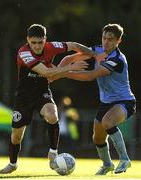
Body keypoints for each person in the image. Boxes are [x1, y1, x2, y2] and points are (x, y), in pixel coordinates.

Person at [0, 23, 107, 174]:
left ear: (45, 39)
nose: (37, 46)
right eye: (33, 42)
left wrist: (95, 55)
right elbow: (47, 73)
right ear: (28, 40)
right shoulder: (24, 53)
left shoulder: (52, 47)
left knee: (52, 115)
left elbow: (73, 45)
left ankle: (53, 152)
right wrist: (71, 67)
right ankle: (13, 164)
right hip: (24, 97)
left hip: (42, 91)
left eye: (40, 42)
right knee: (16, 137)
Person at [51, 23, 136, 175]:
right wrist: (56, 71)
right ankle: (107, 164)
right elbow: (70, 57)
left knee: (107, 122)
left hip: (125, 102)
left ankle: (124, 159)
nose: (106, 42)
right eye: (104, 38)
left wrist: (64, 73)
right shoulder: (97, 50)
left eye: (110, 39)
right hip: (106, 103)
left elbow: (91, 75)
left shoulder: (117, 59)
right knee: (97, 137)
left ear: (118, 41)